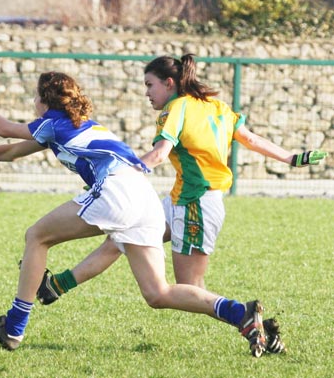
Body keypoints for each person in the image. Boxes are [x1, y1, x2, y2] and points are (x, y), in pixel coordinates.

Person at [0, 72, 277, 357]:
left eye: (35, 97)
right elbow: (12, 150)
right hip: (144, 198)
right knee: (158, 293)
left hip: (117, 190)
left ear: (46, 100)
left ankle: (13, 327)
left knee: (36, 236)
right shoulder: (73, 124)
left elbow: (4, 129)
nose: (33, 102)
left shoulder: (54, 122)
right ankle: (239, 313)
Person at [33, 56, 327, 352]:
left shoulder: (176, 108)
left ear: (169, 83)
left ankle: (248, 319)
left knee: (187, 288)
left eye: (150, 85)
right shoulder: (217, 106)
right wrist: (290, 157)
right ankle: (56, 286)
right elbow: (249, 139)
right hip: (178, 199)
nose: (147, 92)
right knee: (121, 237)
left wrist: (122, 175)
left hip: (196, 203)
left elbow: (160, 154)